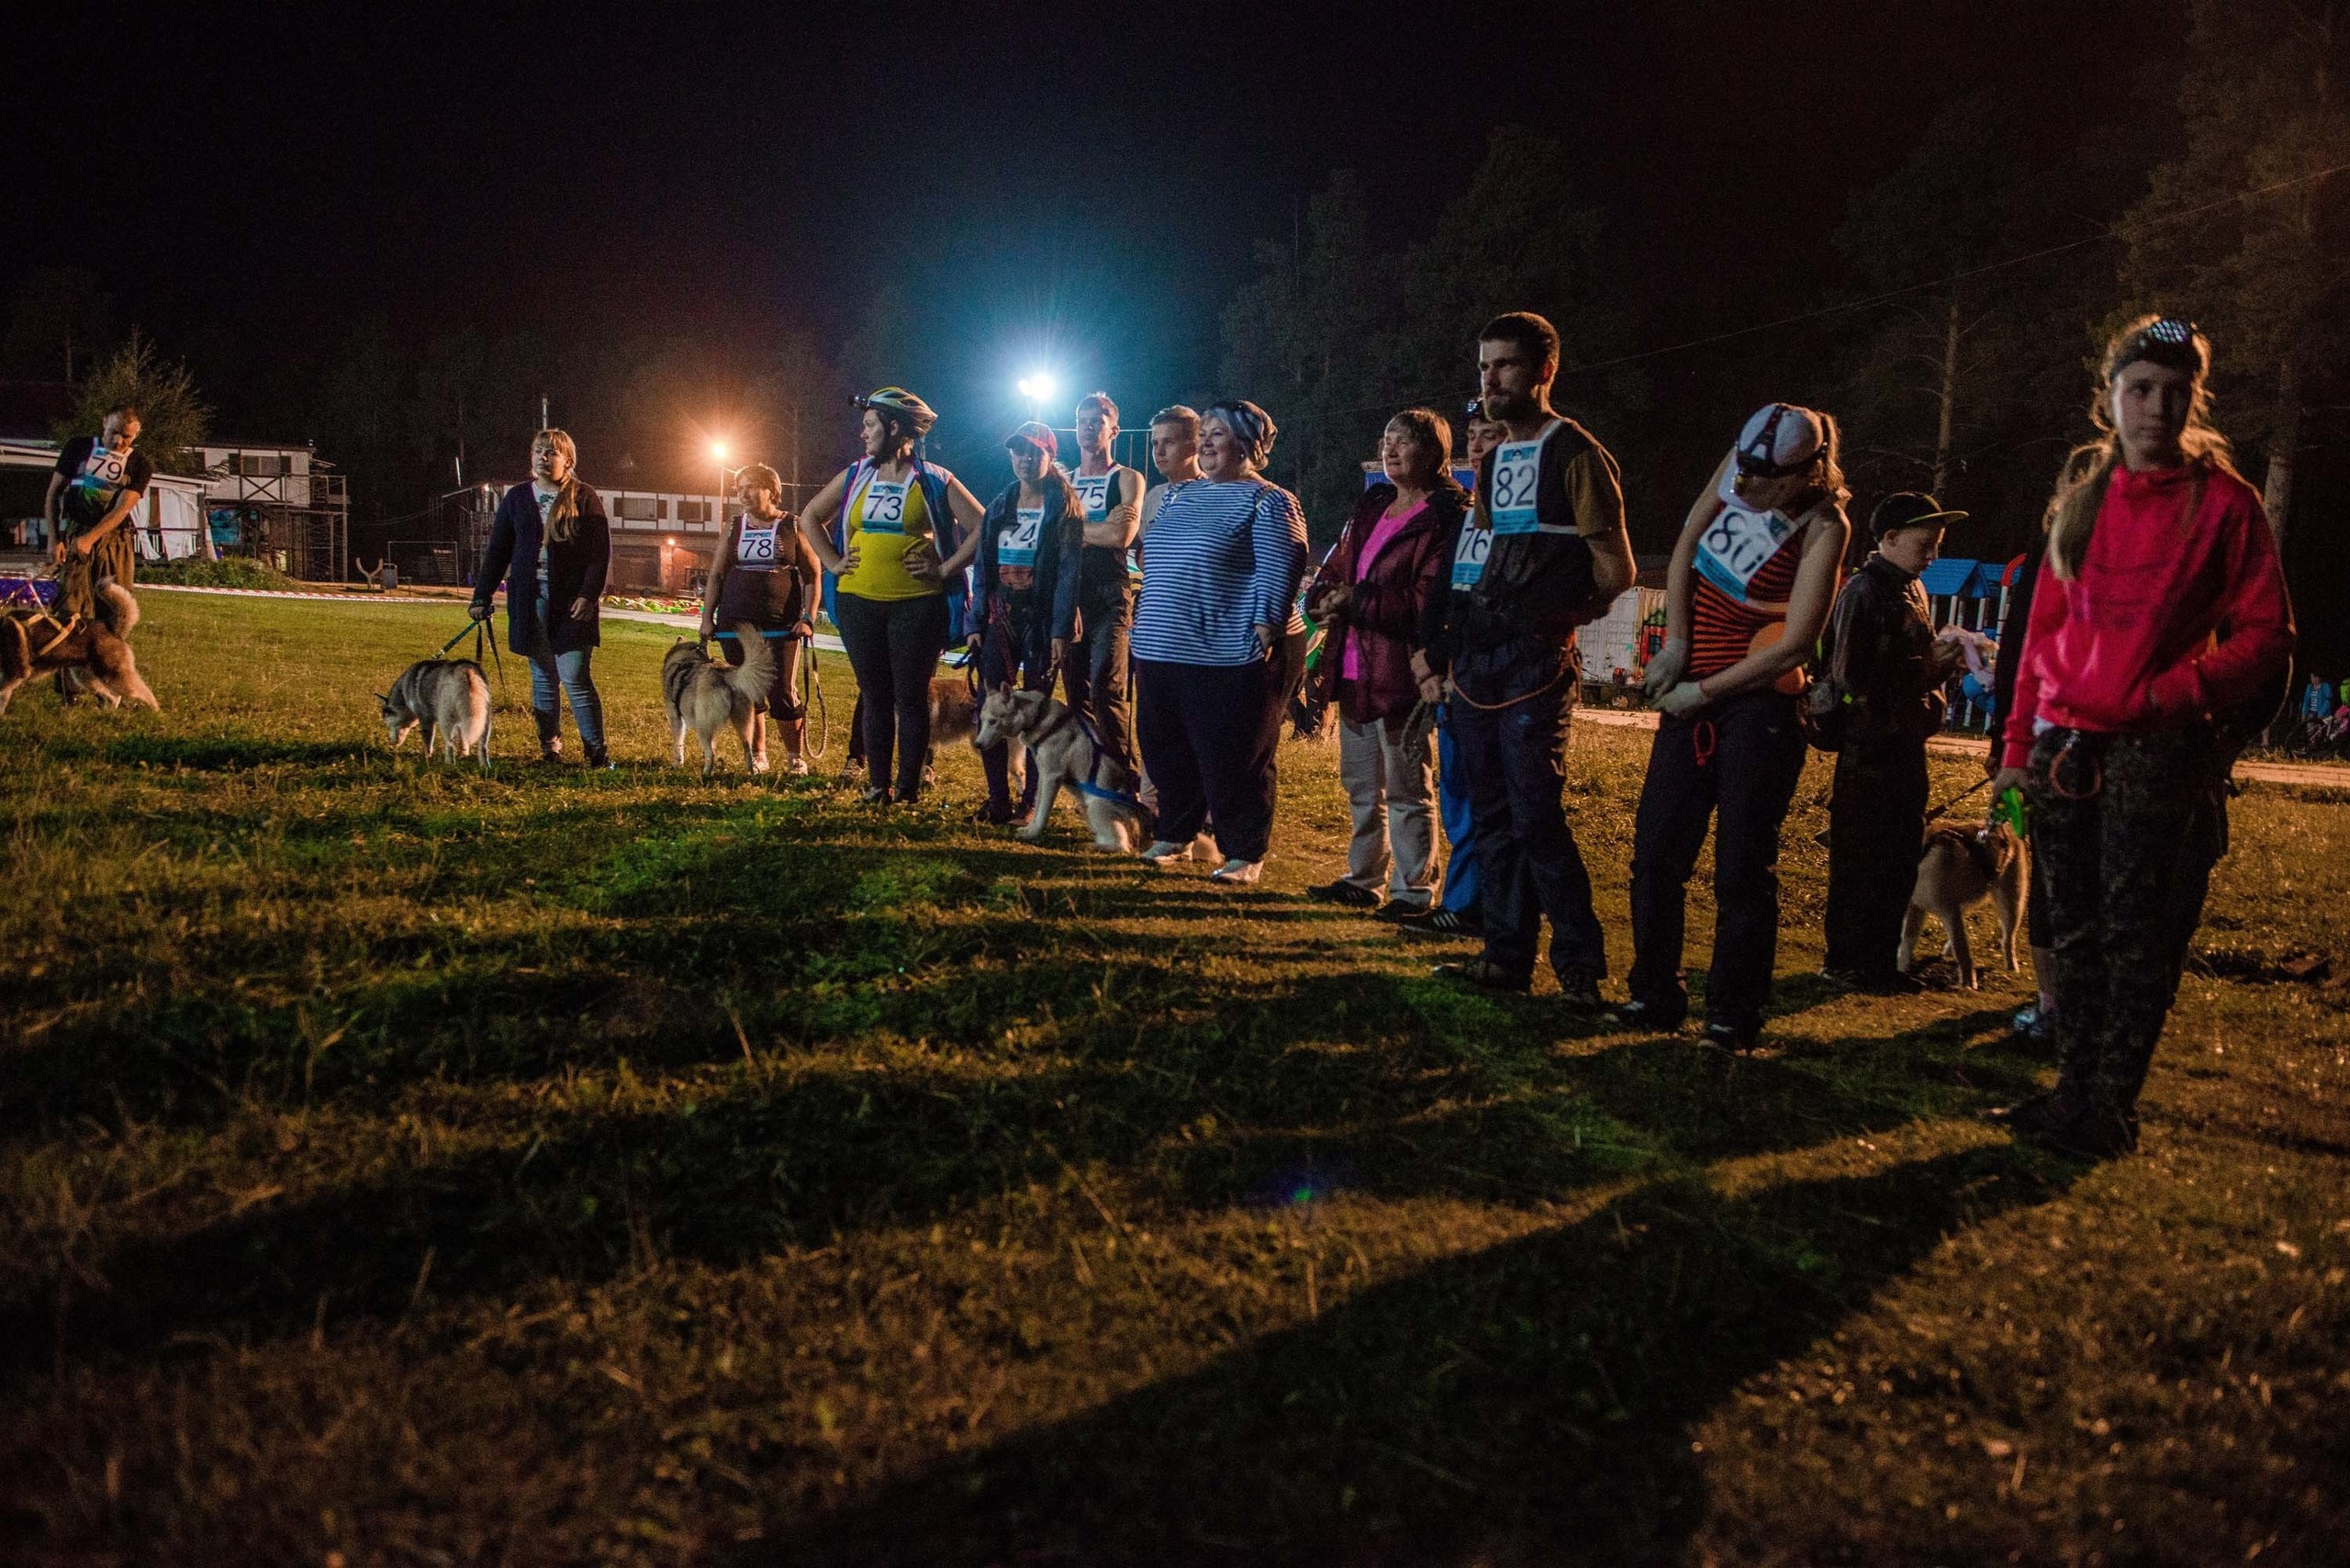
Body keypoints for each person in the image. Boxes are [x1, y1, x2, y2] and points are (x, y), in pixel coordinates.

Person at [1991, 316, 2293, 1157]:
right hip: (2064, 752)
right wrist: (2016, 751)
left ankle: (2109, 1110)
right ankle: (2070, 1098)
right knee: (2076, 934)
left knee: (2135, 938)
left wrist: (2173, 693)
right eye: (2140, 390)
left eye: (2174, 392)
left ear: (2193, 400)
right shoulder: (2085, 501)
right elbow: (2041, 639)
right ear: (2109, 399)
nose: (2156, 407)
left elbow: (2269, 635)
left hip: (2154, 754)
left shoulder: (2225, 504)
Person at [1414, 313, 1637, 1002]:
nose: (1490, 379)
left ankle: (1578, 970)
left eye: (1505, 365)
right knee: (1491, 814)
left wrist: (1561, 620)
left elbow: (1618, 567)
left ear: (1545, 370)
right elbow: (1488, 554)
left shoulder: (1575, 452)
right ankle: (1505, 959)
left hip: (1534, 665)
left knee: (1536, 813)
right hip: (1483, 661)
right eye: (1484, 366)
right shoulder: (1499, 456)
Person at [1614, 405, 1851, 1049]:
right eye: (1740, 471)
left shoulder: (1824, 525)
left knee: (1743, 868)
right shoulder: (1742, 465)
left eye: (1762, 480)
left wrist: (1701, 691)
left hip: (1758, 707)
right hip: (1694, 687)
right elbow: (1690, 539)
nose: (1743, 489)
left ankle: (1733, 1013)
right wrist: (1676, 646)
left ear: (1807, 474)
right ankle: (1653, 994)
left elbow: (1796, 645)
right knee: (1657, 854)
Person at [1130, 399, 1310, 885]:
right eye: (1204, 433)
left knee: (1234, 754)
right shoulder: (1177, 496)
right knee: (1168, 748)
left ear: (1248, 444)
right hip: (1163, 648)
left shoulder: (1268, 499)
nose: (1206, 443)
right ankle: (1175, 834)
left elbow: (1284, 562)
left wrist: (1267, 626)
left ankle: (1244, 851)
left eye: (1217, 434)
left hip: (1230, 651)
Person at [1304, 409, 1468, 913]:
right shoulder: (1372, 506)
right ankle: (1364, 877)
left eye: (1404, 440)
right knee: (1360, 785)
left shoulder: (1444, 518)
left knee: (1406, 786)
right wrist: (1324, 596)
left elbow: (1426, 602)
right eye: (1386, 439)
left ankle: (1414, 889)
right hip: (1353, 668)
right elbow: (1335, 566)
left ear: (1435, 453)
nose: (1390, 449)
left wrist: (1354, 600)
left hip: (1401, 672)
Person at [796, 387, 987, 804]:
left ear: (894, 427)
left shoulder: (935, 479)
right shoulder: (855, 475)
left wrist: (944, 569)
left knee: (911, 697)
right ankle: (877, 787)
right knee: (875, 696)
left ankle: (908, 790)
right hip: (858, 601)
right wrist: (832, 562)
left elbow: (982, 526)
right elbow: (810, 516)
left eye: (870, 425)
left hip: (918, 605)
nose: (863, 433)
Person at [1818, 491, 1964, 987]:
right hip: (1871, 750)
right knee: (1864, 858)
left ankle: (1876, 962)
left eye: (1937, 545)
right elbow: (1854, 682)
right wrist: (1931, 670)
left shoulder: (1911, 590)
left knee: (1899, 858)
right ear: (1890, 538)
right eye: (1926, 544)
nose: (1933, 555)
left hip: (1903, 746)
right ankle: (1850, 963)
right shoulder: (1863, 592)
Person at [1395, 400, 1507, 939]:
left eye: (1494, 434)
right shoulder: (1467, 516)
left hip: (1502, 680)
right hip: (1457, 677)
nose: (1480, 445)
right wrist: (1429, 659)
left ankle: (1485, 910)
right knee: (1459, 794)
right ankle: (1464, 904)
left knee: (1495, 802)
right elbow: (1442, 598)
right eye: (1474, 435)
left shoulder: (1525, 520)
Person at [470, 429, 613, 767]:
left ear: (568, 460)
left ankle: (597, 753)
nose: (543, 458)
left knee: (575, 678)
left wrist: (588, 595)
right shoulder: (517, 498)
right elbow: (498, 552)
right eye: (538, 451)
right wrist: (481, 596)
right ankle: (550, 750)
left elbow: (599, 554)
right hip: (528, 600)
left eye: (551, 452)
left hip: (571, 604)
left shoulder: (584, 497)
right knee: (543, 678)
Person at [970, 420, 1084, 822]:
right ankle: (998, 800)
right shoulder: (1000, 504)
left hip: (1040, 621)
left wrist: (1060, 628)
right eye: (1018, 451)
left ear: (1050, 458)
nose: (1025, 459)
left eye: (1034, 452)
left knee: (1036, 715)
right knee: (989, 706)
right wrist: (974, 622)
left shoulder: (1065, 508)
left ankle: (1031, 800)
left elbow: (1069, 573)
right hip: (1000, 618)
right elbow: (983, 566)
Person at [699, 462, 820, 775]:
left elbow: (812, 574)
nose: (744, 494)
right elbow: (715, 576)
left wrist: (807, 617)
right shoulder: (733, 527)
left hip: (781, 624)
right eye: (739, 489)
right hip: (735, 621)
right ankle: (758, 755)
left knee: (781, 690)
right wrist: (707, 618)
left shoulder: (792, 525)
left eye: (751, 486)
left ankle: (794, 757)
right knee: (747, 690)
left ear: (771, 489)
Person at [1063, 393, 1145, 772]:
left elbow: (1121, 537)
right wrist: (1099, 527)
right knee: (1076, 695)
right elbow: (1053, 537)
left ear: (1114, 429)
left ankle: (1124, 779)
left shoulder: (1128, 478)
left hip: (1110, 595)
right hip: (1069, 596)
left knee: (1105, 689)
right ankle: (1096, 775)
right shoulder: (1064, 481)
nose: (1088, 428)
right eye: (1082, 420)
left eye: (1097, 421)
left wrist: (1074, 530)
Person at [47, 405, 152, 621]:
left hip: (113, 541)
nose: (118, 442)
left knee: (112, 612)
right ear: (104, 422)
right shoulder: (78, 448)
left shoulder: (140, 464)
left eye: (126, 436)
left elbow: (122, 508)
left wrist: (91, 538)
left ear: (136, 434)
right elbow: (53, 493)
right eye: (114, 432)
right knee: (70, 608)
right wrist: (54, 538)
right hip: (76, 533)